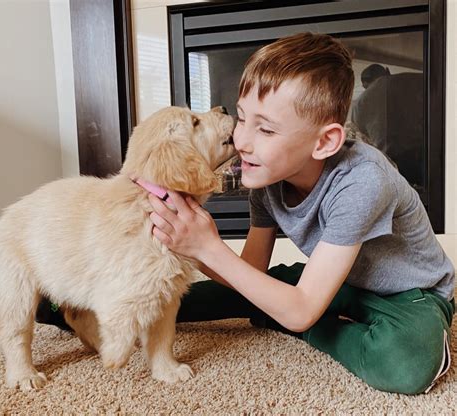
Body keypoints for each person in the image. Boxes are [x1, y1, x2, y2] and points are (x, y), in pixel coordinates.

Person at [37, 33, 455, 395]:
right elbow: (248, 271)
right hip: (332, 282)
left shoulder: (362, 181)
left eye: (266, 129)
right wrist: (190, 243)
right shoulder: (267, 178)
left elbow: (301, 308)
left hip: (409, 296)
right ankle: (75, 306)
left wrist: (221, 257)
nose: (242, 140)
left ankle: (292, 320)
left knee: (405, 362)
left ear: (325, 141)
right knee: (180, 294)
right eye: (241, 119)